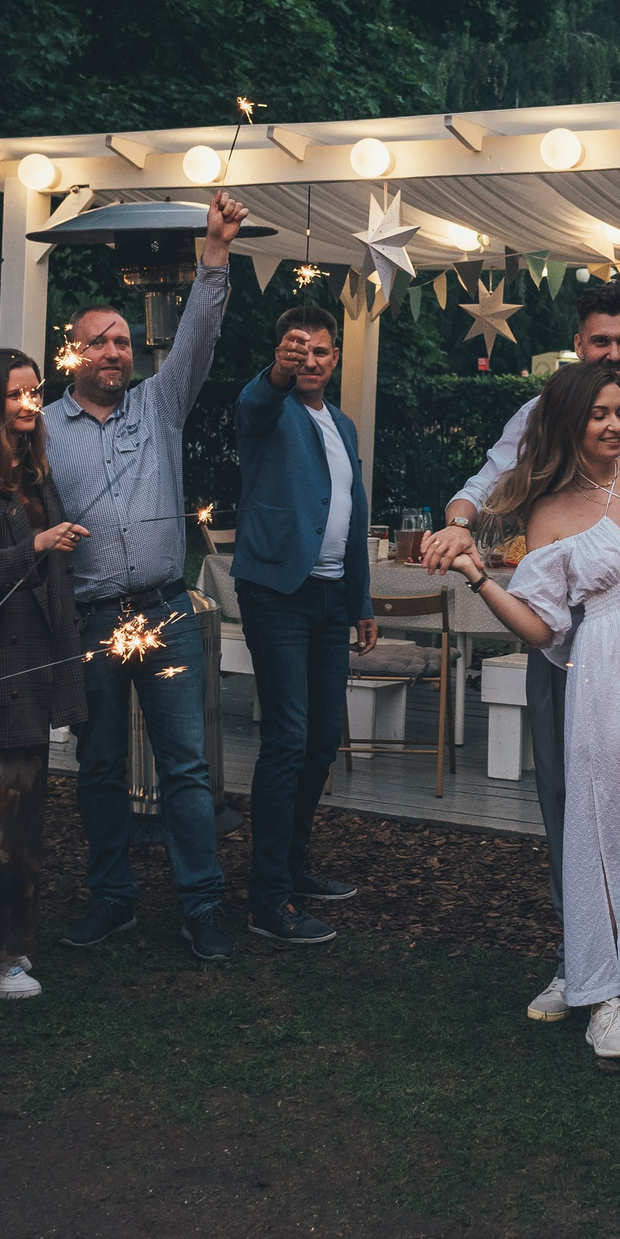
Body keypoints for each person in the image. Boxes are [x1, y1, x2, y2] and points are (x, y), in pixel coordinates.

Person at [419, 277, 620, 1022]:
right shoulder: (540, 409)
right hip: (575, 635)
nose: (614, 354)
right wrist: (458, 522)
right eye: (599, 340)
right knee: (575, 797)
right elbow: (486, 484)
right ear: (579, 344)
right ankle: (580, 953)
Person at [44, 190, 248, 961]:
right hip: (92, 618)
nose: (114, 351)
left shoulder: (160, 406)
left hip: (164, 614)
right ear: (73, 353)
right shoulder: (43, 431)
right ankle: (113, 897)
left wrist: (216, 252)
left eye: (123, 340)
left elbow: (198, 331)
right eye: (98, 341)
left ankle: (203, 905)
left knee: (186, 767)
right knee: (96, 767)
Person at [0, 350, 91, 999]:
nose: (30, 404)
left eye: (36, 393)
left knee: (20, 813)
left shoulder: (35, 472)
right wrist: (36, 543)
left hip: (35, 668)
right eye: (15, 395)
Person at [231, 305, 379, 945]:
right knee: (287, 739)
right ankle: (267, 899)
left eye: (321, 351)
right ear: (283, 353)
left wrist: (361, 601)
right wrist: (277, 373)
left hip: (327, 601)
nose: (311, 360)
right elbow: (256, 403)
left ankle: (292, 869)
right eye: (299, 350)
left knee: (322, 739)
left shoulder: (341, 424)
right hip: (278, 593)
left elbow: (351, 511)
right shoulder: (268, 408)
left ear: (335, 357)